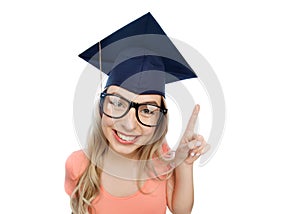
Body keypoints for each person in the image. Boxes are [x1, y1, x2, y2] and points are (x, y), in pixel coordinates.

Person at [65, 12, 209, 214]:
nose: (129, 125)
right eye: (117, 103)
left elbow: (181, 210)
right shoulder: (78, 165)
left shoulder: (161, 161)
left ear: (159, 120)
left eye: (147, 110)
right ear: (101, 106)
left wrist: (184, 164)